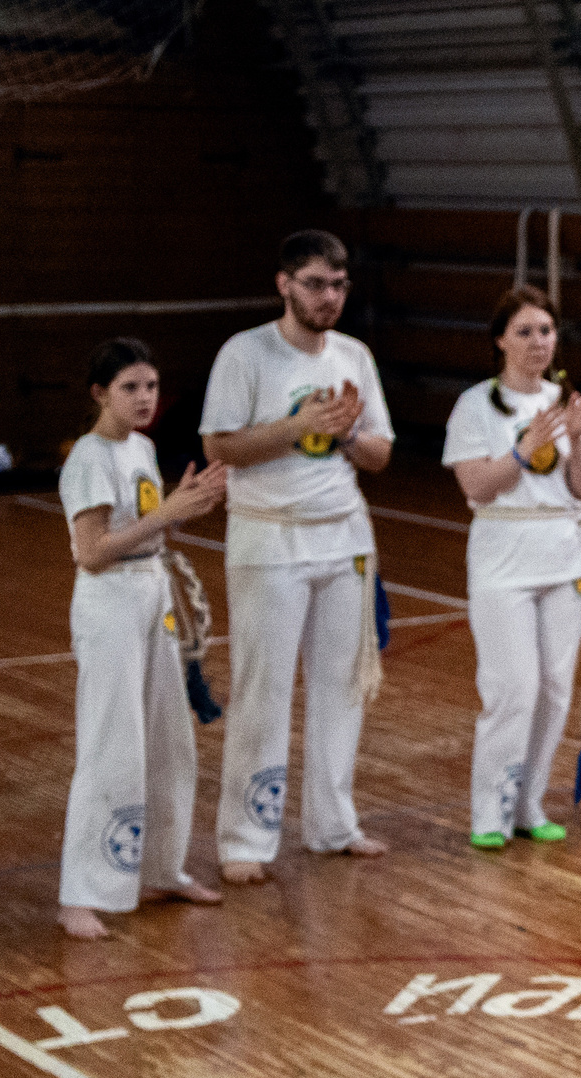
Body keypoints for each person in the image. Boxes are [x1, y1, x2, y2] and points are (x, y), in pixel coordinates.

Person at [199, 228, 394, 883]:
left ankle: (333, 823)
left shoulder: (355, 356)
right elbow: (220, 447)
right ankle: (246, 839)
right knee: (264, 689)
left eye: (339, 285)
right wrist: (297, 427)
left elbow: (380, 454)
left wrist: (343, 436)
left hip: (344, 536)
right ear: (284, 283)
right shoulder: (245, 353)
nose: (329, 297)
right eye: (316, 284)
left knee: (343, 687)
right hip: (268, 537)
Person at [58, 338, 229, 939]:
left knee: (169, 739)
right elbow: (93, 552)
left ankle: (161, 865)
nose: (143, 399)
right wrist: (168, 514)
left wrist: (187, 509)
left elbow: (145, 528)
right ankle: (80, 893)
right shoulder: (88, 457)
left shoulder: (143, 447)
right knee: (112, 744)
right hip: (109, 605)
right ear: (100, 394)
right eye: (130, 388)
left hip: (151, 595)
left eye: (151, 387)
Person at [442, 286, 581, 849]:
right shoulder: (474, 405)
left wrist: (578, 441)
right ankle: (490, 809)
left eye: (547, 331)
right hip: (503, 555)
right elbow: (477, 487)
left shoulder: (563, 401)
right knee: (513, 688)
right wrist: (522, 448)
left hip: (564, 552)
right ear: (500, 340)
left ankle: (531, 803)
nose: (538, 342)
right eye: (526, 331)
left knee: (556, 688)